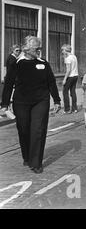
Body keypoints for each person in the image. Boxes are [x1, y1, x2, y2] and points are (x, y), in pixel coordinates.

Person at [0, 36, 61, 173]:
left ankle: (36, 163)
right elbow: (8, 84)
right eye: (36, 48)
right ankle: (27, 156)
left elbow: (51, 82)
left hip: (41, 101)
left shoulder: (44, 63)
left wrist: (57, 100)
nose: (39, 51)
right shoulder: (16, 64)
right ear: (26, 49)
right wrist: (4, 104)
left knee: (38, 130)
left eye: (40, 48)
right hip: (21, 102)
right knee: (24, 130)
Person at [61, 44, 79, 114]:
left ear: (66, 50)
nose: (62, 51)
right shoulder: (74, 56)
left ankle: (67, 109)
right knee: (73, 92)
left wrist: (65, 79)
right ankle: (75, 108)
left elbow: (68, 70)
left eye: (63, 50)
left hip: (70, 77)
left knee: (65, 92)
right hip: (76, 76)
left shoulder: (67, 58)